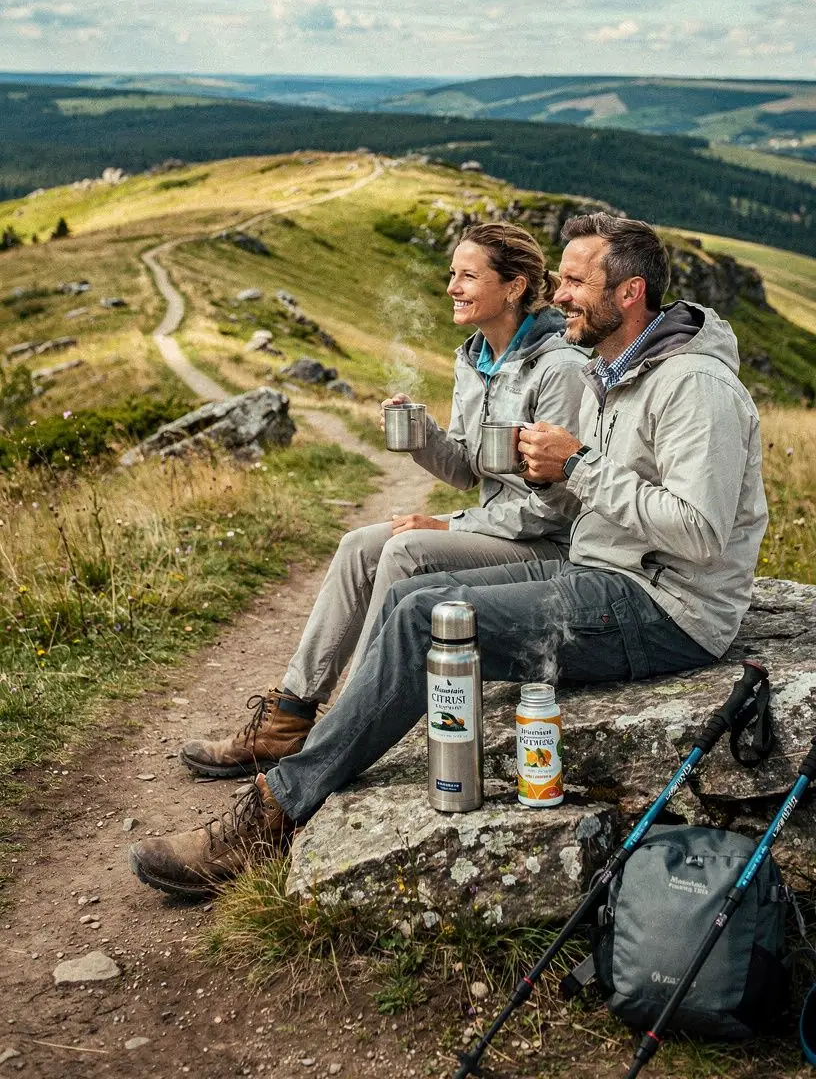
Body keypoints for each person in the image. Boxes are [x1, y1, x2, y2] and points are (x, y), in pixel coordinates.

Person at [130, 213, 768, 899]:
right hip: (605, 573)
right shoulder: (618, 372)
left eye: (575, 282)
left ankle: (273, 815)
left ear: (630, 292)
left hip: (664, 606)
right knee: (410, 597)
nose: (559, 295)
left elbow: (700, 532)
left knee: (424, 619)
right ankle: (319, 737)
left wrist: (577, 465)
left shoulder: (693, 385)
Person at [177, 222, 586, 781]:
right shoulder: (474, 359)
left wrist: (448, 526)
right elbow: (465, 469)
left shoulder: (559, 367)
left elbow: (555, 504)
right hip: (496, 529)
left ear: (514, 287)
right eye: (452, 274)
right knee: (358, 546)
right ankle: (290, 716)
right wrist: (422, 436)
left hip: (550, 543)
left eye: (468, 276)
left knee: (406, 550)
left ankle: (351, 724)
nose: (452, 287)